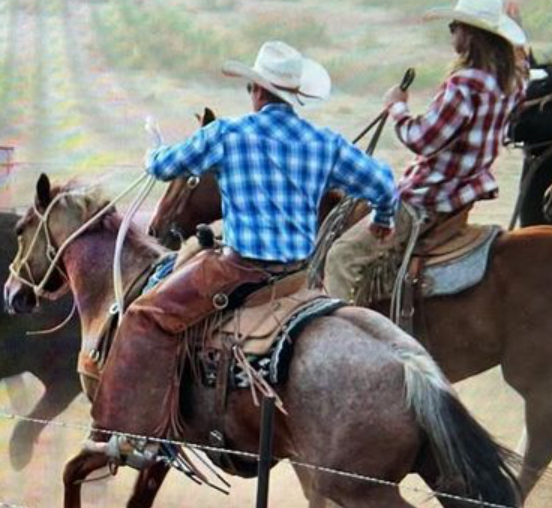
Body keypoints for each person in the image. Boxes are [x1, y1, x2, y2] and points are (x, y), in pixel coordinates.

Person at [90, 41, 397, 439]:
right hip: (298, 278)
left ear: (256, 91)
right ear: (293, 96)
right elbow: (384, 184)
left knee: (144, 317)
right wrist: (384, 220)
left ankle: (124, 432)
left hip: (238, 270)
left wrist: (153, 150)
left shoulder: (228, 134)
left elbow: (164, 167)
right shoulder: (324, 142)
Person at [324, 0, 528, 302]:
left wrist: (398, 107)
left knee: (341, 256)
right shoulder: (513, 83)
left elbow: (423, 139)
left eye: (454, 27)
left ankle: (338, 332)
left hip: (429, 196)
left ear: (470, 34)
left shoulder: (463, 84)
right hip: (463, 195)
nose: (451, 34)